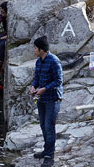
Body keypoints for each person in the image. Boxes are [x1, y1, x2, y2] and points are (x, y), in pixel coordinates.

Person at [29, 36, 63, 167]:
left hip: (53, 99)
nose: (34, 50)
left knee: (49, 126)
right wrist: (33, 87)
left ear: (41, 49)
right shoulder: (39, 61)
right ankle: (47, 150)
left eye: (35, 48)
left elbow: (59, 81)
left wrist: (44, 89)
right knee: (43, 125)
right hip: (42, 99)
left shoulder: (54, 61)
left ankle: (50, 156)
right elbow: (36, 78)